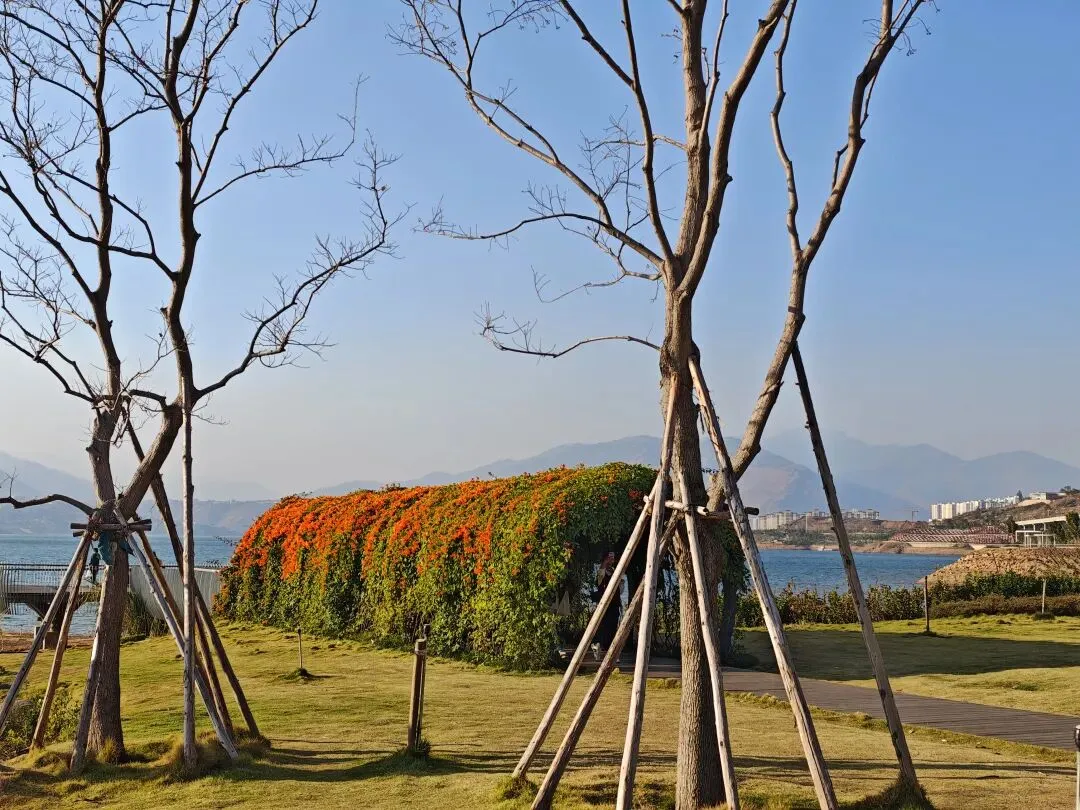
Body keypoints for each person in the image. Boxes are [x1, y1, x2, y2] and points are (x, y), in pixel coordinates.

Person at [592, 551, 621, 661]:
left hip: (614, 603)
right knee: (603, 626)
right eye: (610, 557)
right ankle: (599, 647)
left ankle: (611, 651)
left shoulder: (613, 571)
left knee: (613, 626)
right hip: (604, 603)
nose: (612, 559)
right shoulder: (601, 570)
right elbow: (599, 582)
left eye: (613, 557)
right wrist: (604, 564)